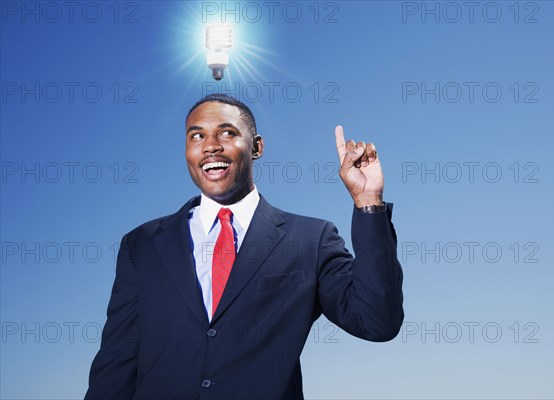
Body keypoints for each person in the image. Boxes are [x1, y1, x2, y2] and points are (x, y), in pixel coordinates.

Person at [85, 93, 404, 399]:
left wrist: (368, 201)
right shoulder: (142, 245)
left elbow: (376, 322)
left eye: (226, 133)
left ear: (256, 147)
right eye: (196, 137)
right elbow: (117, 363)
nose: (210, 146)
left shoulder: (310, 240)